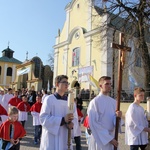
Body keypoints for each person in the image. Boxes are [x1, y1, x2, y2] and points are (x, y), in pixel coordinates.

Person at [40, 75, 78, 150]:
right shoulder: (49, 99)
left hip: (65, 136)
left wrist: (72, 124)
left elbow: (75, 117)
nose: (67, 84)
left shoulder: (70, 101)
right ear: (57, 84)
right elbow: (43, 118)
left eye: (67, 83)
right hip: (52, 138)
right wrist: (63, 120)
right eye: (64, 82)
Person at [87, 76, 122, 150]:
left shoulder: (114, 102)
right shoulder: (95, 102)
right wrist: (108, 139)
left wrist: (118, 117)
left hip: (112, 136)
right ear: (100, 86)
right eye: (107, 84)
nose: (109, 86)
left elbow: (115, 122)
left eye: (110, 84)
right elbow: (94, 123)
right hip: (100, 139)